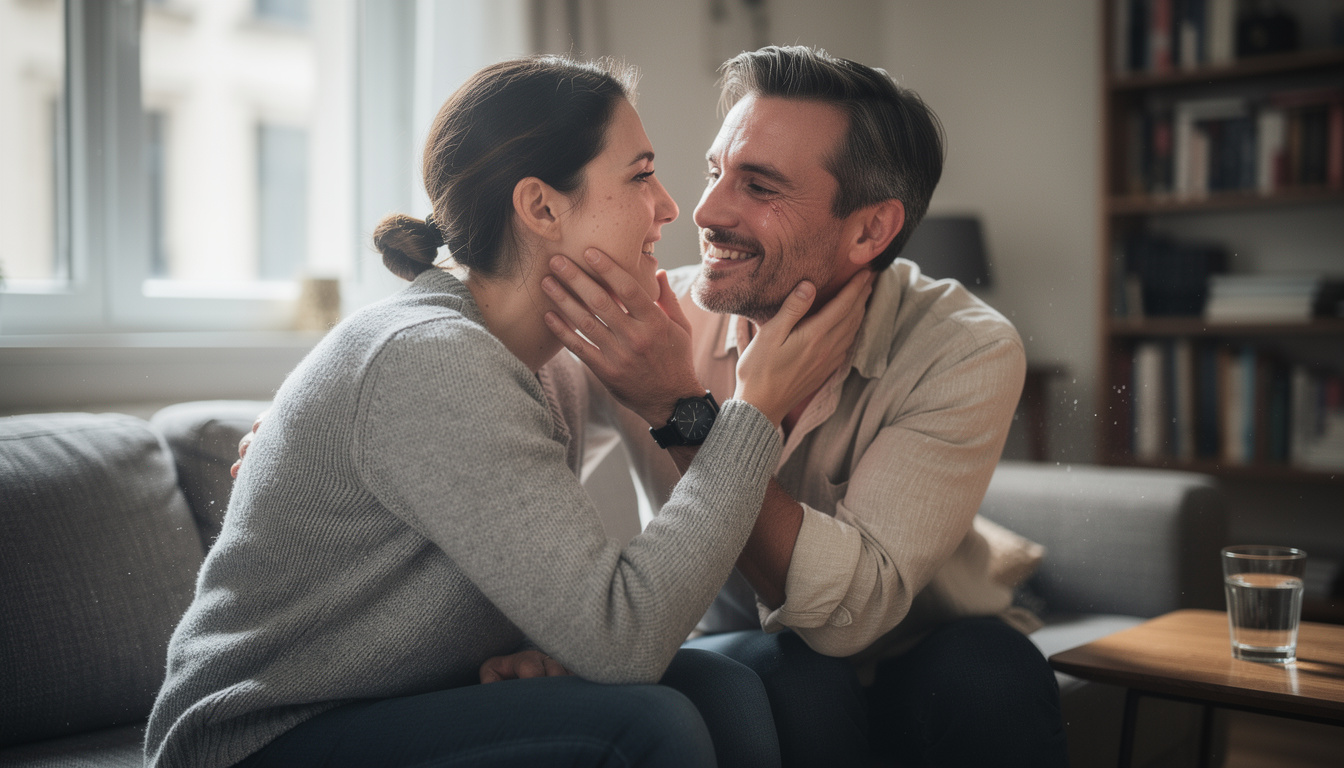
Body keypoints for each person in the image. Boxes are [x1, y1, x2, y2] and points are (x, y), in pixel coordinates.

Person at [146, 55, 873, 768]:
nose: (670, 207)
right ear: (542, 208)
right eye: (641, 173)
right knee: (648, 723)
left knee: (725, 687)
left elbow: (579, 604)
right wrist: (755, 410)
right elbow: (625, 638)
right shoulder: (433, 360)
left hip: (398, 700)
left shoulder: (540, 360)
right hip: (256, 737)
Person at [545, 46, 1068, 767]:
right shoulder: (655, 316)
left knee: (996, 670)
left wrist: (681, 409)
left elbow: (850, 615)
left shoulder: (964, 350)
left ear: (868, 231)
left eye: (759, 187)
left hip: (926, 649)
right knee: (793, 672)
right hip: (750, 651)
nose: (704, 211)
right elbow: (515, 433)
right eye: (714, 172)